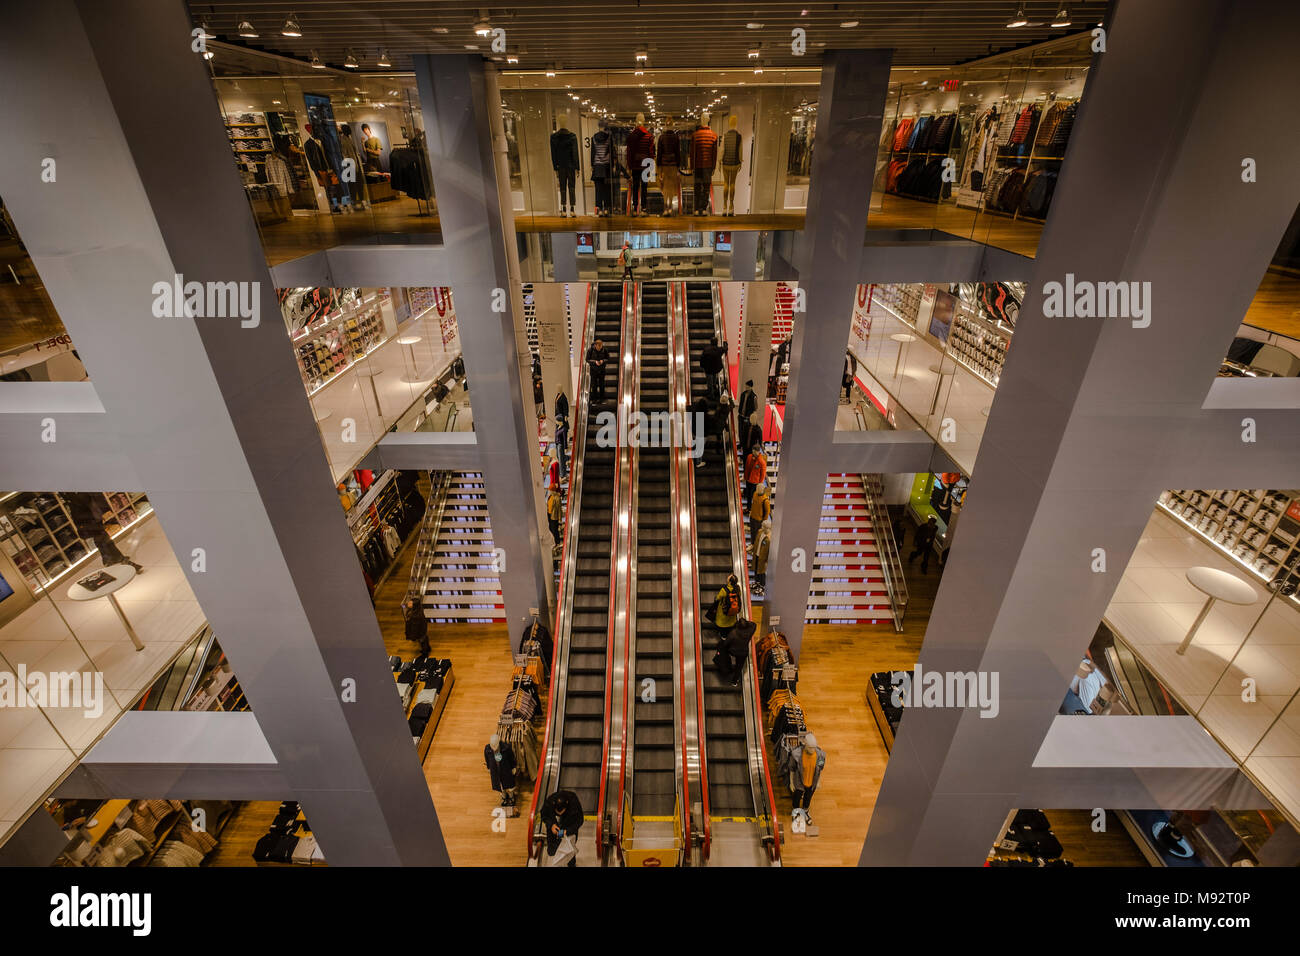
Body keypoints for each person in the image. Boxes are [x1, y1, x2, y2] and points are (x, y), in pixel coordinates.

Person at [63, 492, 144, 574]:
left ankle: (108, 560)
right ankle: (120, 559)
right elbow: (82, 499)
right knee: (103, 537)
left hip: (89, 513)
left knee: (101, 536)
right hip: (86, 515)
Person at [540, 789, 584, 866]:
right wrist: (551, 825)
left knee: (569, 849)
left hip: (569, 827)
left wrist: (567, 831)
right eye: (557, 813)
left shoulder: (574, 803)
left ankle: (571, 864)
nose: (559, 814)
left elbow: (579, 821)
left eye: (561, 812)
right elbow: (544, 815)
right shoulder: (550, 802)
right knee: (552, 851)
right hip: (554, 827)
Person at [701, 336, 725, 400]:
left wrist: (702, 366)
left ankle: (711, 395)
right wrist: (726, 344)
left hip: (708, 369)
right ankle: (714, 387)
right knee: (714, 376)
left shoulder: (706, 350)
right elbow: (725, 349)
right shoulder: (719, 350)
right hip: (716, 368)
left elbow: (702, 359)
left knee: (709, 381)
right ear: (717, 343)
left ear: (711, 342)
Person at [743, 444, 767, 508]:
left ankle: (752, 508)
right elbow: (747, 468)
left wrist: (760, 483)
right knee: (748, 495)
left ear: (758, 451)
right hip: (748, 479)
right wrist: (745, 477)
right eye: (752, 451)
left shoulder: (761, 462)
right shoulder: (749, 456)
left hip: (755, 482)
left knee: (752, 496)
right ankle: (748, 508)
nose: (753, 453)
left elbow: (763, 474)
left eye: (754, 451)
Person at [752, 518, 771, 596]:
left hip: (763, 559)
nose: (762, 528)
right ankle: (757, 583)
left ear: (768, 528)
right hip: (757, 554)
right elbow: (756, 542)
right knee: (756, 570)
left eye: (764, 527)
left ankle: (762, 587)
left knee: (761, 574)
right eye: (762, 526)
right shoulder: (760, 532)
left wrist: (767, 561)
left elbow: (769, 552)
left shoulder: (769, 539)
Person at [587, 337, 609, 404]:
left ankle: (602, 399)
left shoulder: (605, 350)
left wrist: (603, 361)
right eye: (598, 347)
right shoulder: (590, 350)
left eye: (601, 346)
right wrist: (595, 362)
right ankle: (594, 399)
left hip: (602, 370)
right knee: (594, 385)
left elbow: (608, 358)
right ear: (595, 345)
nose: (600, 348)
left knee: (602, 385)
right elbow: (587, 359)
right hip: (593, 370)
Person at [749, 482, 771, 546]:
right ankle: (752, 544)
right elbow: (753, 504)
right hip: (752, 517)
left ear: (762, 490)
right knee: (752, 532)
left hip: (759, 520)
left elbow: (767, 512)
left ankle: (755, 546)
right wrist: (751, 513)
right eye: (757, 488)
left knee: (757, 534)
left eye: (759, 489)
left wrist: (763, 521)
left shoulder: (765, 500)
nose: (757, 490)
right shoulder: (755, 494)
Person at [546, 487, 564, 552]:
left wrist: (560, 520)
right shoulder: (550, 496)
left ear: (553, 490)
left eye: (550, 490)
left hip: (554, 516)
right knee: (550, 528)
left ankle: (557, 542)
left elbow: (559, 510)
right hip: (549, 515)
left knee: (554, 530)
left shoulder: (557, 498)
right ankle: (554, 542)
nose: (549, 491)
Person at [554, 416, 569, 480]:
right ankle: (563, 471)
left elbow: (565, 439)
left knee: (561, 460)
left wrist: (565, 447)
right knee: (559, 457)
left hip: (561, 445)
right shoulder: (558, 427)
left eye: (556, 420)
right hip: (557, 444)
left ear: (559, 421)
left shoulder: (564, 429)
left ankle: (562, 474)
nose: (555, 421)